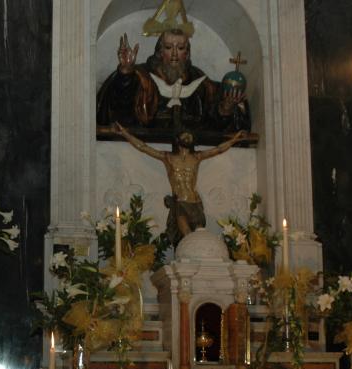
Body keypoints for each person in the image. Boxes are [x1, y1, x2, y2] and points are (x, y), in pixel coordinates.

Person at [113, 122, 247, 245]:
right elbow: (143, 147)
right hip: (180, 203)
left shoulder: (197, 157)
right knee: (188, 236)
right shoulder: (169, 158)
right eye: (185, 135)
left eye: (190, 136)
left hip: (195, 202)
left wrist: (235, 139)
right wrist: (124, 133)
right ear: (178, 140)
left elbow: (218, 149)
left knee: (200, 237)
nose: (188, 137)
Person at [97, 29, 249, 133]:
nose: (175, 54)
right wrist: (125, 73)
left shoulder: (200, 82)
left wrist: (225, 109)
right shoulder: (141, 76)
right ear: (160, 52)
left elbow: (214, 121)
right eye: (169, 47)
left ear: (187, 53)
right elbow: (119, 105)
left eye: (181, 48)